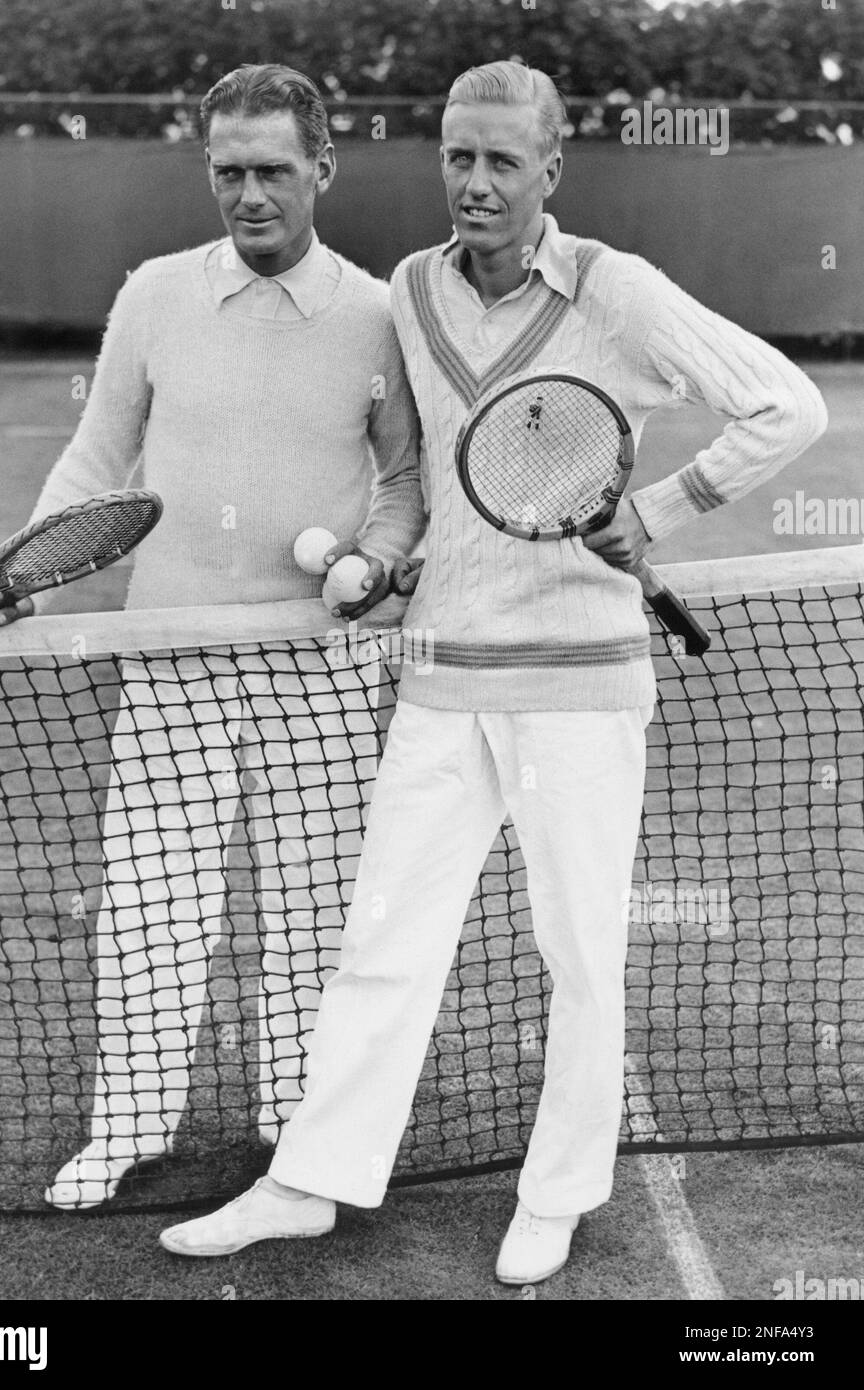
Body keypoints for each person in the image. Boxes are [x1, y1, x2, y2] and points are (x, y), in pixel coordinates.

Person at [157, 60, 828, 1283]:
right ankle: (311, 1179)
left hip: (581, 683)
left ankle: (557, 1192)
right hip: (439, 677)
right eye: (457, 157)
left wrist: (663, 509)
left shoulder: (615, 292)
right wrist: (382, 561)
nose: (473, 182)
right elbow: (413, 478)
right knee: (382, 941)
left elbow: (784, 407)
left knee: (577, 951)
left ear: (548, 173)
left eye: (500, 161)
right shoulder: (410, 290)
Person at [0, 64, 424, 1210]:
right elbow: (95, 465)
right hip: (173, 657)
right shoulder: (151, 294)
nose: (249, 195)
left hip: (319, 666)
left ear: (322, 170)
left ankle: (297, 1115)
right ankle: (128, 1125)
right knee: (151, 900)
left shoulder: (375, 314)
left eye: (272, 172)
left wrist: (376, 563)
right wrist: (23, 580)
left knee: (313, 904)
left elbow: (402, 478)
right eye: (228, 172)